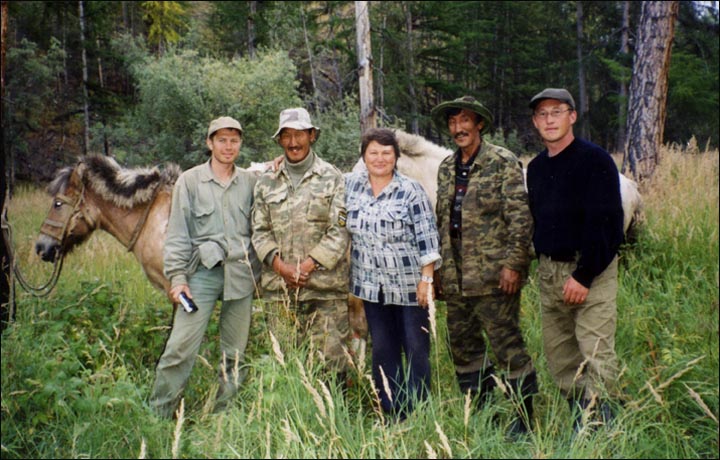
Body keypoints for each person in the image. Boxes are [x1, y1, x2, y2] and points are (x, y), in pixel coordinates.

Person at [430, 96, 537, 438]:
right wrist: (438, 272)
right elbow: (441, 221)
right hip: (456, 275)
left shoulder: (502, 161)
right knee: (463, 347)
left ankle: (524, 420)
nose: (458, 128)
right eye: (452, 122)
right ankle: (482, 412)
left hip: (494, 275)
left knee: (507, 346)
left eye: (465, 120)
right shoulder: (447, 167)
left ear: (479, 124)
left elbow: (520, 217)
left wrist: (513, 264)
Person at [526, 88, 624, 433]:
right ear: (536, 123)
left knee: (595, 350)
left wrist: (583, 276)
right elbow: (535, 221)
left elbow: (609, 224)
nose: (549, 119)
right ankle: (580, 421)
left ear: (572, 116)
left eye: (556, 111)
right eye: (542, 114)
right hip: (550, 271)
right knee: (560, 355)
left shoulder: (594, 161)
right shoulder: (536, 168)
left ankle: (605, 429)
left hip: (589, 269)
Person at [151, 116, 261, 418]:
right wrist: (178, 278)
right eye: (222, 140)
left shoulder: (250, 182)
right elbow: (177, 234)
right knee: (180, 349)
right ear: (209, 143)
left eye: (234, 140)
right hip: (201, 275)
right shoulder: (189, 181)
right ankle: (158, 415)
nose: (228, 146)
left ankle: (223, 418)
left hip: (240, 274)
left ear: (240, 144)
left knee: (235, 354)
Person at [345, 128, 441, 420]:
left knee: (415, 347)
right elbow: (328, 195)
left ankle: (418, 412)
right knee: (383, 348)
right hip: (372, 286)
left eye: (387, 153)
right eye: (373, 152)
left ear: (396, 157)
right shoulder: (350, 186)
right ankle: (391, 409)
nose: (380, 159)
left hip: (410, 286)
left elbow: (428, 237)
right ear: (364, 157)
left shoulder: (411, 190)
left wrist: (427, 279)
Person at [251, 108, 351, 384]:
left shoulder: (333, 178)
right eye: (287, 136)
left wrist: (307, 267)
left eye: (299, 135)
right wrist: (282, 269)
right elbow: (258, 232)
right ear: (280, 140)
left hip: (325, 290)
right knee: (287, 369)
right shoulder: (265, 182)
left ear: (312, 136)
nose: (293, 142)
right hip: (280, 293)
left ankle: (336, 422)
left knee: (332, 366)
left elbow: (340, 229)